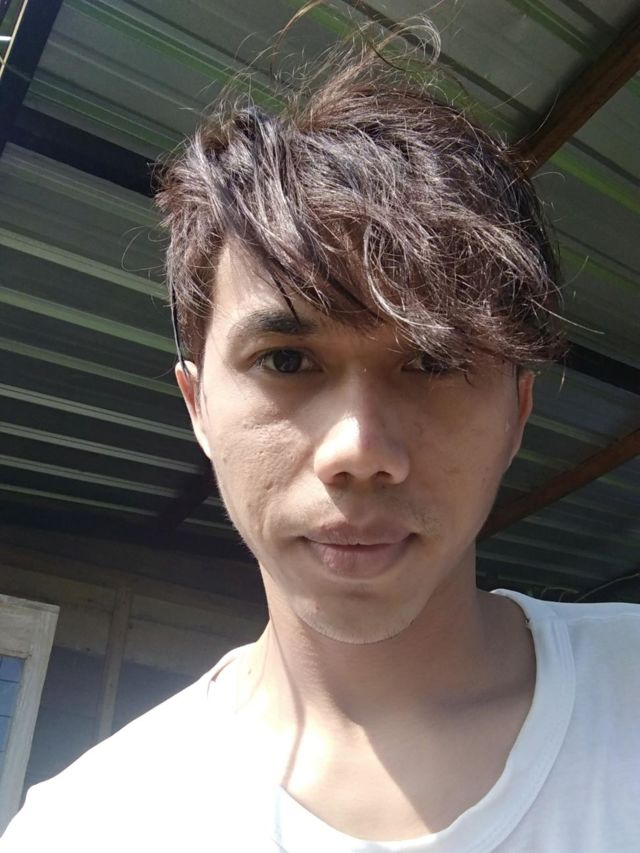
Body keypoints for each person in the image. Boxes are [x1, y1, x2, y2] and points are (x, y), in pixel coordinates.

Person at [2, 28, 639, 853]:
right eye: (287, 360)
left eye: (432, 360)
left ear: (517, 415)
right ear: (199, 406)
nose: (358, 449)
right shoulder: (85, 827)